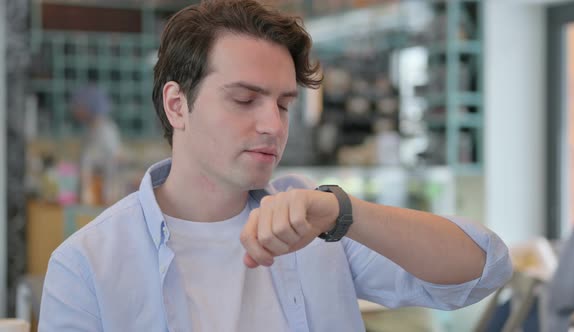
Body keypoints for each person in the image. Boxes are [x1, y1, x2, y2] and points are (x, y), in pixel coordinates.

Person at [39, 1, 513, 331]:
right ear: (177, 105)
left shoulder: (313, 225)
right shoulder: (87, 265)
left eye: (284, 105)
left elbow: (482, 269)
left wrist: (340, 214)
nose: (272, 125)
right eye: (245, 99)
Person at [70, 74, 121, 206]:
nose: (75, 110)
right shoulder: (91, 130)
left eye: (78, 105)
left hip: (105, 198)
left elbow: (115, 158)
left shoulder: (106, 130)